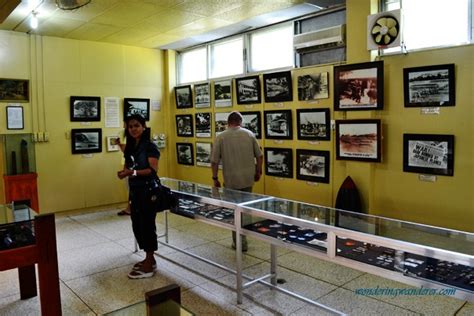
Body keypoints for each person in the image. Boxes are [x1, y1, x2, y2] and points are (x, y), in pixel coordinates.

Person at [210, 111, 263, 252]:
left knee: (234, 212)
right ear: (240, 122)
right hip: (247, 179)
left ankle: (239, 243)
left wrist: (215, 178)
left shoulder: (221, 137)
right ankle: (244, 239)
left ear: (228, 122)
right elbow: (260, 156)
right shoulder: (249, 134)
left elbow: (214, 161)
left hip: (231, 181)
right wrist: (258, 171)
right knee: (246, 210)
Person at [117, 114, 160, 279]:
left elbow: (152, 170)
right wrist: (124, 172)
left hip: (148, 190)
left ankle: (149, 263)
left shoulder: (150, 146)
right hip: (135, 190)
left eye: (136, 125)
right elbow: (129, 165)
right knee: (137, 224)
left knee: (147, 225)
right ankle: (149, 258)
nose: (133, 129)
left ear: (143, 126)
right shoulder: (130, 147)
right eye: (130, 126)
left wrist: (132, 172)